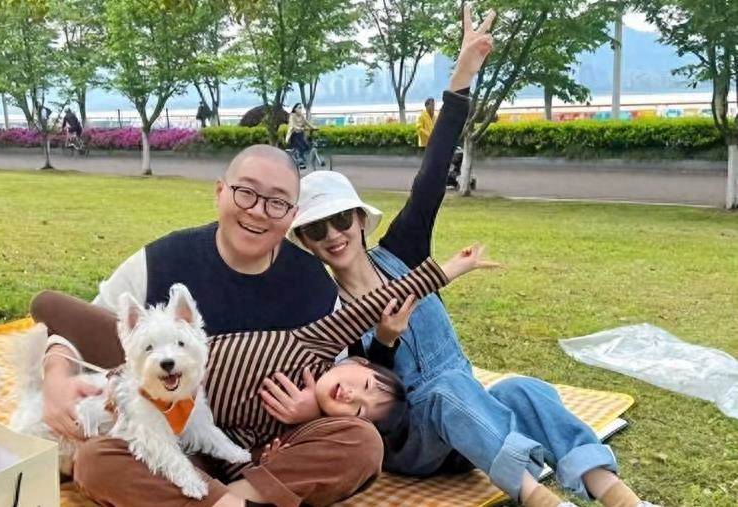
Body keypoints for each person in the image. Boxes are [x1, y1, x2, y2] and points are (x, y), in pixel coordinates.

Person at [267, 7, 659, 507]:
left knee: (524, 391)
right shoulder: (323, 302)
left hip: (471, 423)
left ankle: (621, 498)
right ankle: (543, 501)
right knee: (446, 389)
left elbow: (431, 177)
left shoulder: (402, 253)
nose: (333, 235)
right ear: (305, 241)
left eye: (341, 219)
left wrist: (462, 76)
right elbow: (356, 388)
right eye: (316, 229)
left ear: (361, 220)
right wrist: (384, 340)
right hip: (411, 441)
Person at [34, 144, 381, 507]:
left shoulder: (313, 284)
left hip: (270, 449)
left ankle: (229, 499)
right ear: (220, 192)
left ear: (292, 214)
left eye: (277, 202)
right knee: (96, 462)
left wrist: (313, 405)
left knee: (362, 443)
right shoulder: (162, 260)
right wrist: (56, 375)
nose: (258, 211)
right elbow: (85, 327)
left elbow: (339, 370)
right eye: (246, 192)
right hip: (173, 443)